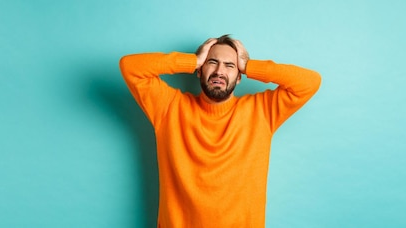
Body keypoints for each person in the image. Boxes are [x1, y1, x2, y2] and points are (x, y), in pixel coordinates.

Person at [119, 35, 321, 227]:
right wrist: (192, 60)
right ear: (199, 70)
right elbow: (130, 67)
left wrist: (249, 65)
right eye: (212, 62)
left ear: (239, 76)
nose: (219, 71)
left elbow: (309, 82)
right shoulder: (168, 107)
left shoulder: (262, 111)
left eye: (230, 65)